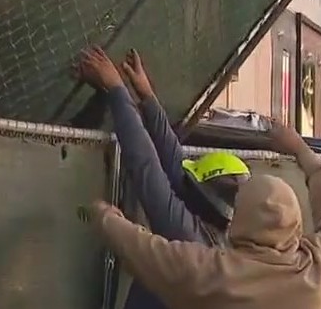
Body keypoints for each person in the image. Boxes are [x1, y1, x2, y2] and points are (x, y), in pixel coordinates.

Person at [83, 118, 321, 309]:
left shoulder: (214, 274)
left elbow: (145, 250)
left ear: (239, 219)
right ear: (295, 222)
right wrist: (300, 150)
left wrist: (103, 215)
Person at [74, 46, 252, 308]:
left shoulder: (189, 237)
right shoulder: (219, 237)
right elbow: (175, 163)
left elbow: (146, 167)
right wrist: (147, 97)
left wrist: (116, 89)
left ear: (202, 197)